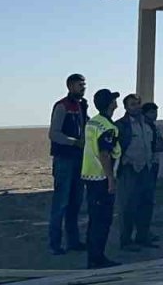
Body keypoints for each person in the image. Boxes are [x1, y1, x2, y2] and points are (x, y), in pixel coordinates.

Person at [47, 73, 89, 255]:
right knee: (61, 202)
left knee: (76, 202)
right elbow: (54, 133)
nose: (83, 87)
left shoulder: (82, 106)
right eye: (80, 84)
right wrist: (74, 142)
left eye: (84, 84)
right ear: (71, 86)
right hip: (64, 158)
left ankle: (73, 241)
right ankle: (55, 244)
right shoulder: (62, 106)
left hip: (79, 159)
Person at [82, 88, 122, 269]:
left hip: (90, 175)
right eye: (113, 100)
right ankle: (97, 259)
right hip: (101, 177)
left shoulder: (93, 122)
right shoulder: (107, 127)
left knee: (94, 219)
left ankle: (94, 256)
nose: (116, 102)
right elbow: (105, 153)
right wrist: (111, 179)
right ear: (109, 104)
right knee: (102, 220)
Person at [116, 94, 158, 251]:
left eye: (138, 104)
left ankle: (143, 236)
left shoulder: (148, 124)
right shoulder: (121, 125)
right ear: (126, 107)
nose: (136, 107)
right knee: (128, 206)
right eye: (132, 104)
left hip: (146, 168)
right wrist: (123, 162)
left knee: (146, 204)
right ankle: (126, 240)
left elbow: (153, 143)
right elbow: (116, 147)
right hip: (129, 169)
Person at [142, 102, 163, 181]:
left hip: (154, 161)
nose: (155, 115)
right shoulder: (141, 128)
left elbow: (162, 146)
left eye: (156, 112)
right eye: (152, 112)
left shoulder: (155, 128)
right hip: (143, 162)